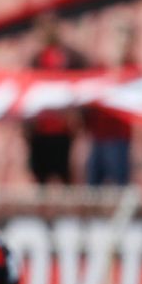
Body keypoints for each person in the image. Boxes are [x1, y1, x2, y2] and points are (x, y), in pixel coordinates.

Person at [22, 13, 89, 185]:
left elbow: (84, 80)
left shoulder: (71, 58)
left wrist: (77, 115)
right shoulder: (35, 60)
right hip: (40, 131)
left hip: (62, 129)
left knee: (64, 175)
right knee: (41, 176)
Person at [83, 24, 137, 187]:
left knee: (119, 183)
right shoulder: (99, 69)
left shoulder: (130, 69)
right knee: (93, 185)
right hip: (98, 136)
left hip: (118, 136)